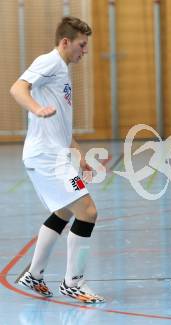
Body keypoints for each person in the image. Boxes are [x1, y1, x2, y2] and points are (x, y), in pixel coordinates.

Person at [9, 16, 104, 303]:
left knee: (64, 212)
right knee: (87, 212)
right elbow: (17, 88)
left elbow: (62, 124)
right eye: (81, 45)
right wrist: (36, 109)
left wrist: (79, 155)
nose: (84, 51)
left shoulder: (61, 70)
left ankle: (33, 275)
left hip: (55, 155)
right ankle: (73, 282)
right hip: (46, 157)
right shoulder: (49, 62)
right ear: (65, 42)